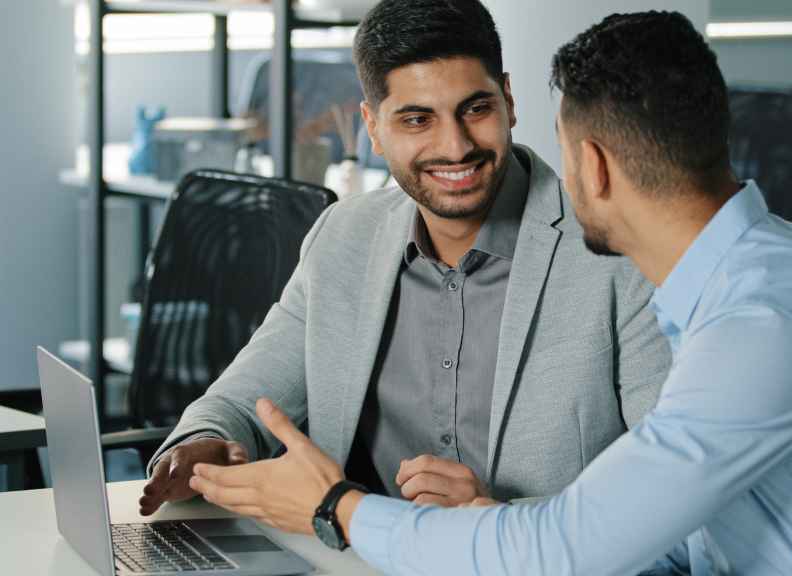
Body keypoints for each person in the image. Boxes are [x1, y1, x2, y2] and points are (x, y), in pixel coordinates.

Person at [187, 10, 792, 575]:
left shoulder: (760, 320)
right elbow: (672, 534)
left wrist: (336, 508)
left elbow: (574, 549)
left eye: (479, 111)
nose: (456, 146)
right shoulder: (745, 281)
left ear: (591, 165)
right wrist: (492, 518)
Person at [139, 0, 669, 516]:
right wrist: (201, 445)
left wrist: (493, 517)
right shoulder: (344, 236)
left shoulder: (619, 253)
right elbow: (241, 402)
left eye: (475, 109)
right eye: (417, 120)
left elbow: (667, 489)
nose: (456, 146)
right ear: (372, 126)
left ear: (508, 100)